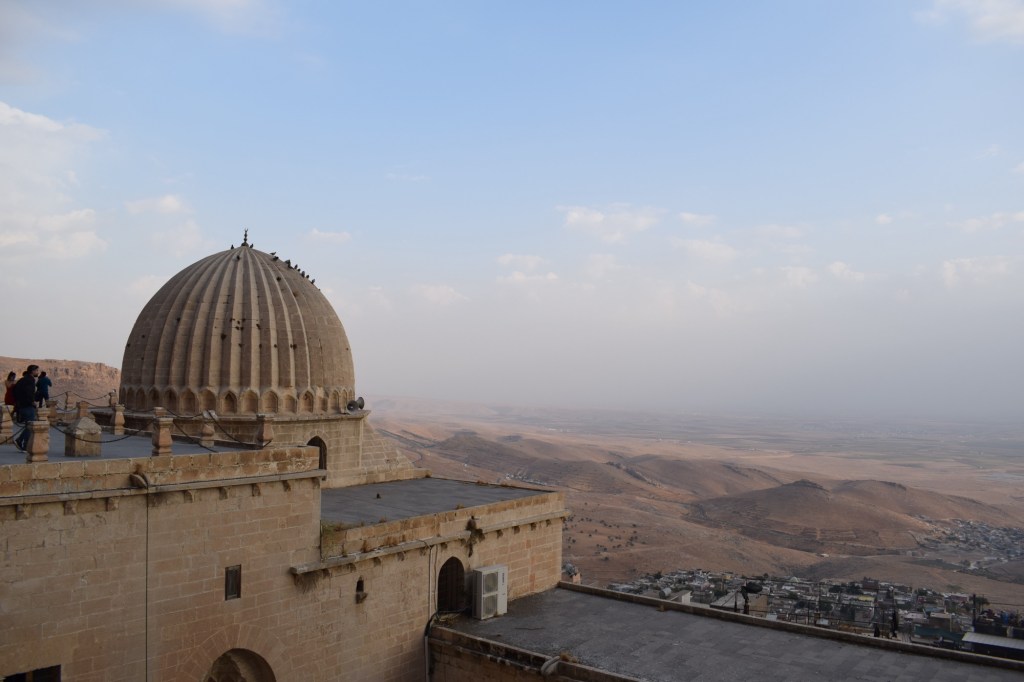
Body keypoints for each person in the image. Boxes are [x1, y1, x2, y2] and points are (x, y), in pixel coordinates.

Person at [13, 365, 40, 451]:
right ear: (32, 371)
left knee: (28, 425)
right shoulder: (30, 380)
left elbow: (15, 392)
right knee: (30, 426)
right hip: (27, 406)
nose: (37, 372)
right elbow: (29, 393)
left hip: (21, 406)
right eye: (36, 371)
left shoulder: (22, 380)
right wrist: (32, 402)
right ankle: (20, 440)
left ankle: (25, 445)